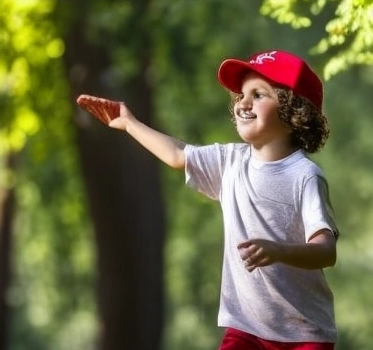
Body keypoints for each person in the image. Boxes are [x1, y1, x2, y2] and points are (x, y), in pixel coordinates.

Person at [107, 50, 339, 350]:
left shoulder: (305, 176)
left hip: (303, 334)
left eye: (258, 95)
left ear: (294, 111)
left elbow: (326, 251)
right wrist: (130, 124)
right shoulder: (230, 162)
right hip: (246, 328)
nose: (243, 103)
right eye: (241, 95)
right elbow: (178, 155)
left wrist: (280, 251)